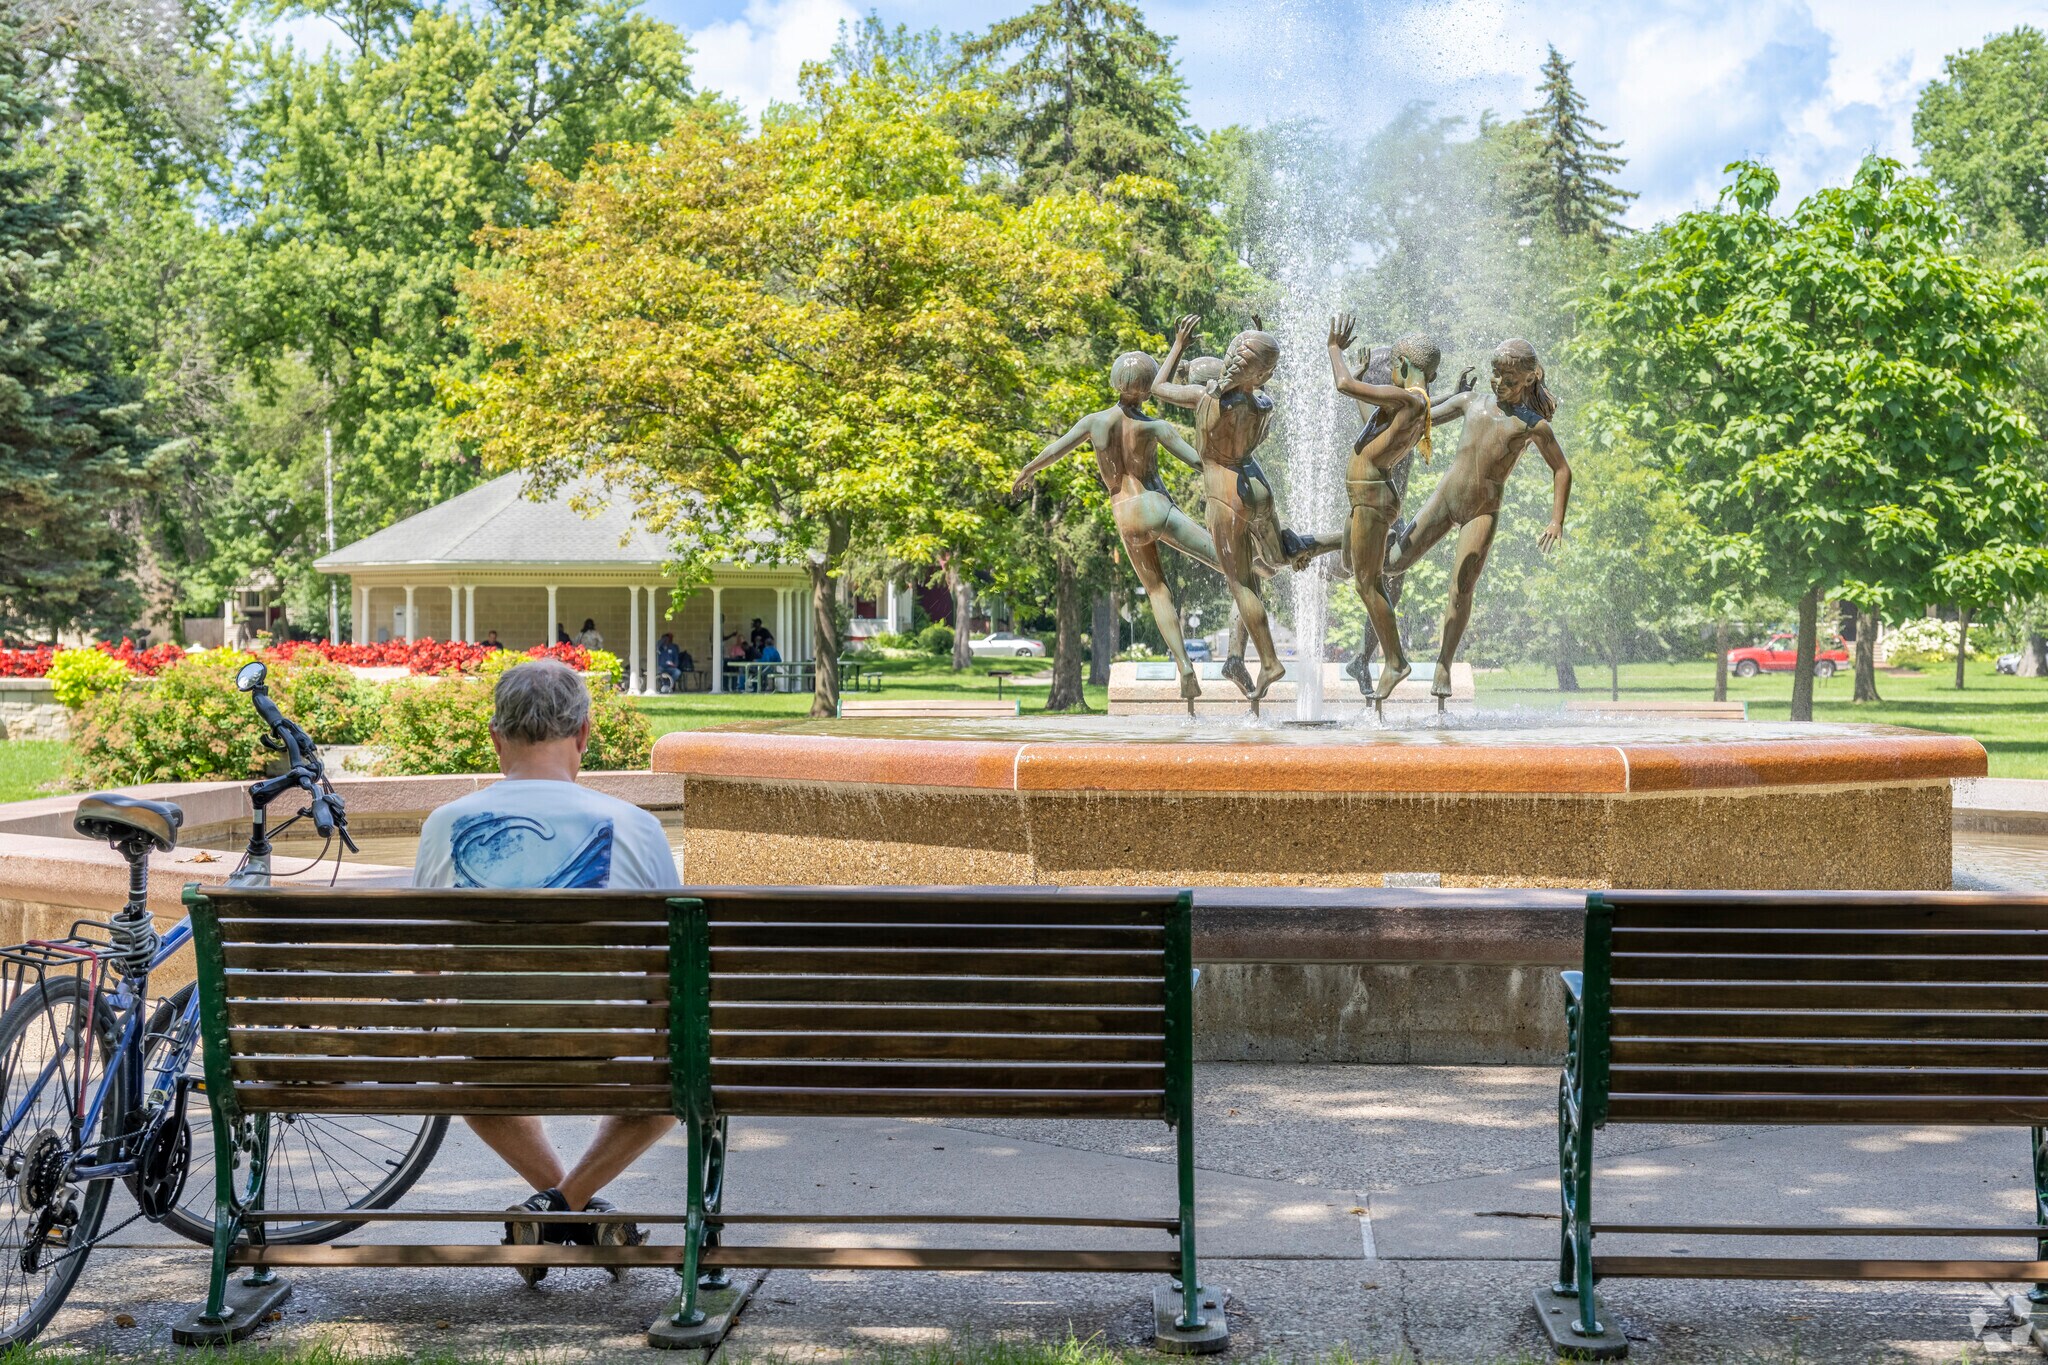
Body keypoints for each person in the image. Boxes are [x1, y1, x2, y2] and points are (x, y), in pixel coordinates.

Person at [411, 660, 681, 1281]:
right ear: (584, 734)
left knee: (461, 1059)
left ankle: (557, 1209)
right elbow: (669, 966)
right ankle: (572, 1206)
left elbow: (427, 964)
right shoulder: (637, 827)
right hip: (607, 1045)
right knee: (680, 1070)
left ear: (495, 737)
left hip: (483, 1050)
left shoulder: (444, 825)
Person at [1014, 347, 1223, 709]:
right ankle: (1263, 569)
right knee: (1226, 560)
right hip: (1156, 505)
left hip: (1126, 516)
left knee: (1158, 590)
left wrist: (1027, 470)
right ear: (1147, 388)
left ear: (1115, 381)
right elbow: (1198, 463)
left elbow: (1055, 449)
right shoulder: (1155, 426)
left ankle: (1184, 665)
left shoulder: (1094, 422)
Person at [1152, 313, 1339, 704]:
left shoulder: (1205, 398)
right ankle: (1338, 538)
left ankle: (1269, 661)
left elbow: (1158, 387)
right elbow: (1255, 387)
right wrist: (1260, 343)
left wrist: (1179, 346)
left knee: (1242, 582)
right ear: (1263, 373)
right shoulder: (1265, 403)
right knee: (1279, 557)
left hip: (1226, 494)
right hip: (1257, 486)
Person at [1384, 338, 1572, 699]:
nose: (1500, 384)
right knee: (1393, 564)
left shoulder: (1532, 426)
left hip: (1482, 511)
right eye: (1496, 375)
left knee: (1462, 586)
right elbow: (1421, 416)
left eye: (1510, 379)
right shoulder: (1471, 402)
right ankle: (1349, 554)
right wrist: (1396, 394)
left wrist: (1556, 520)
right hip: (1446, 498)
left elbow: (1562, 470)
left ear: (1530, 379)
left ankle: (1444, 663)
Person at [1324, 317, 1443, 700]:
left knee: (1367, 582)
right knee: (1349, 564)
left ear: (1404, 366)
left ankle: (1395, 661)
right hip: (1367, 498)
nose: (1388, 376)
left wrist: (1334, 350)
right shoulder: (1412, 405)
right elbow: (1368, 429)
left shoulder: (1408, 398)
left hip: (1373, 499)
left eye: (1392, 367)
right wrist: (1362, 385)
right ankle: (1378, 656)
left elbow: (1343, 384)